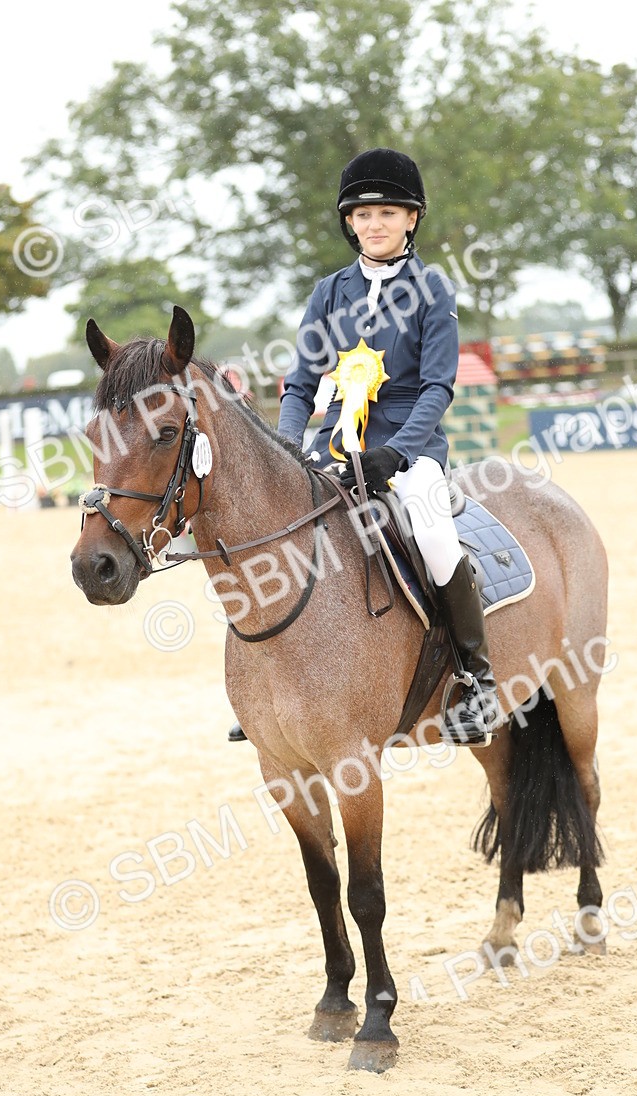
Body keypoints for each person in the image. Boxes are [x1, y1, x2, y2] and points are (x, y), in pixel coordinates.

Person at [228, 148, 499, 747]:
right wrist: (289, 448)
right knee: (273, 532)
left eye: (388, 213)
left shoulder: (432, 289)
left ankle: (476, 681)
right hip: (334, 448)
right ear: (350, 222)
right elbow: (300, 385)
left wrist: (398, 452)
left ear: (411, 219)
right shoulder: (329, 293)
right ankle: (267, 681)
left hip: (410, 452)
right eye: (364, 213)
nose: (375, 224)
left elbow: (438, 386)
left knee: (430, 532)